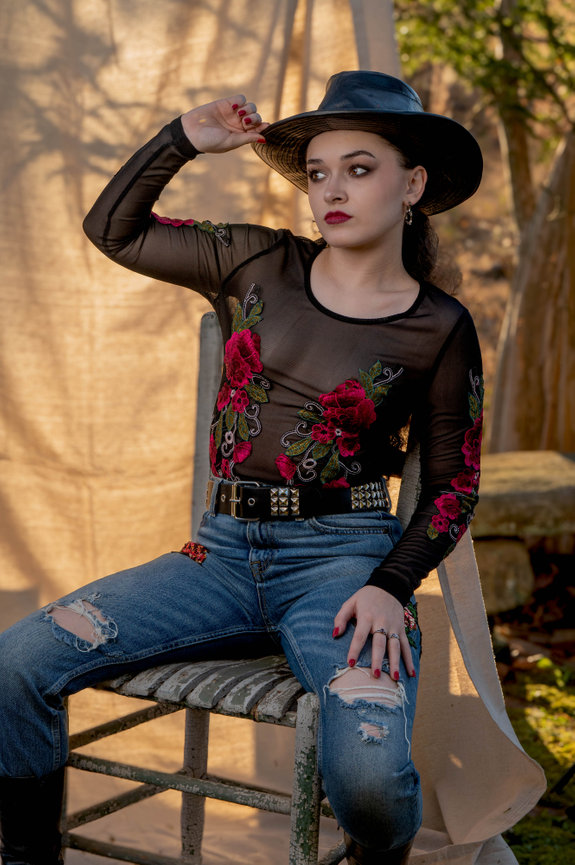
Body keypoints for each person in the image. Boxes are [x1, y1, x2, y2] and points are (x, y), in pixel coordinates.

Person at [0, 71, 485, 865]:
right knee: (16, 663)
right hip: (214, 556)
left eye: (358, 169)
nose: (330, 189)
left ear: (413, 185)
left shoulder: (440, 325)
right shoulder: (255, 258)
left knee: (366, 780)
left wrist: (389, 585)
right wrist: (182, 138)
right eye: (318, 172)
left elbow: (453, 481)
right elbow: (112, 230)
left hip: (344, 565)